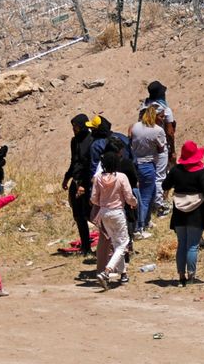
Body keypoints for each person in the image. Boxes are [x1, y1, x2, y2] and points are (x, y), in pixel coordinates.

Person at [162, 141, 204, 286]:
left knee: (182, 244)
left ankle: (181, 276)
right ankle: (191, 277)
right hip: (196, 214)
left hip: (179, 213)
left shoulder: (176, 171)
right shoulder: (200, 172)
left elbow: (164, 185)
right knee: (192, 246)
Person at [92, 150, 138, 289]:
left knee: (117, 242)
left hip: (104, 213)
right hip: (117, 212)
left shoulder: (98, 178)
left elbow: (94, 198)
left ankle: (123, 274)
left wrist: (103, 202)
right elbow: (129, 196)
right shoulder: (121, 177)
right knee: (123, 244)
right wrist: (134, 203)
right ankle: (107, 271)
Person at [61, 113, 95, 257]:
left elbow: (89, 165)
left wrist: (84, 185)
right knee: (78, 215)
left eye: (75, 127)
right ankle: (86, 247)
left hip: (87, 183)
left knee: (90, 214)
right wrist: (67, 177)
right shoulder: (74, 141)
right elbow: (74, 161)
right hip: (76, 181)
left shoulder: (91, 140)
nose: (73, 129)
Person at [130, 105, 167, 237]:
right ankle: (139, 228)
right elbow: (161, 149)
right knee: (145, 197)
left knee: (150, 193)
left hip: (135, 163)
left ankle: (146, 221)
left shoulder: (135, 127)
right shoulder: (157, 130)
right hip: (148, 163)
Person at [143, 81, 176, 216]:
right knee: (160, 176)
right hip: (160, 146)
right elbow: (170, 132)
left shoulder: (144, 107)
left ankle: (151, 202)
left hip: (145, 146)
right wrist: (172, 150)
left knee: (150, 175)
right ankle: (160, 205)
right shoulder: (165, 109)